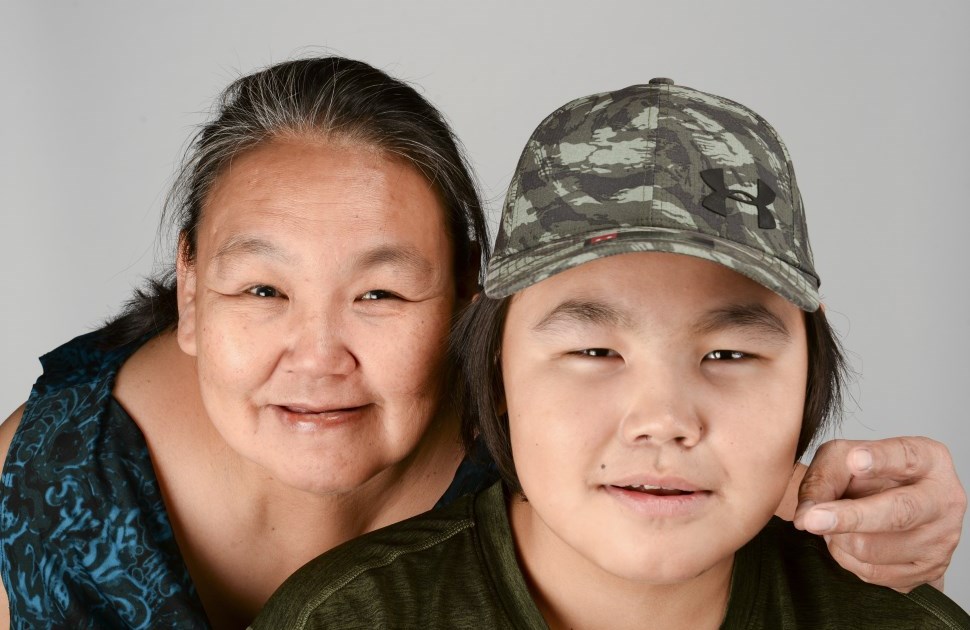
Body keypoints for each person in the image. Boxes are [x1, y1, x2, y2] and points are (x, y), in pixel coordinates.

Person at [0, 59, 963, 629]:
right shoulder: (48, 479)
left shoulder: (555, 437)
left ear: (466, 303)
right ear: (193, 292)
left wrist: (847, 507)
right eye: (262, 287)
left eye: (380, 291)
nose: (317, 352)